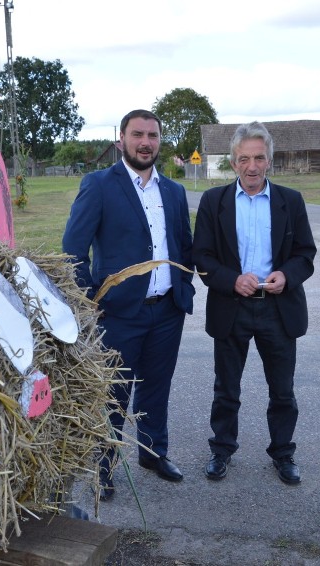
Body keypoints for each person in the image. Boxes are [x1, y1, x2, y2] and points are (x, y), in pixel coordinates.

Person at [62, 109, 195, 500]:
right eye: (137, 134)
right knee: (114, 394)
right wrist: (93, 301)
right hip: (117, 314)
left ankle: (154, 455)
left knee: (157, 388)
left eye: (152, 135)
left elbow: (183, 246)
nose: (145, 142)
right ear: (121, 139)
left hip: (167, 311)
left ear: (159, 141)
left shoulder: (173, 191)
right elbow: (72, 251)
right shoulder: (100, 185)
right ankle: (103, 468)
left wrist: (182, 286)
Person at [192, 122, 316, 485]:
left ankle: (283, 453)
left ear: (269, 161)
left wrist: (287, 276)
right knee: (226, 388)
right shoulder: (214, 202)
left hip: (278, 308)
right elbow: (202, 255)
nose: (252, 166)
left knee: (282, 390)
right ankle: (221, 450)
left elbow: (305, 254)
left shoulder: (290, 201)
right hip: (232, 305)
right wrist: (232, 280)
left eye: (259, 158)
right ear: (233, 163)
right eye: (244, 159)